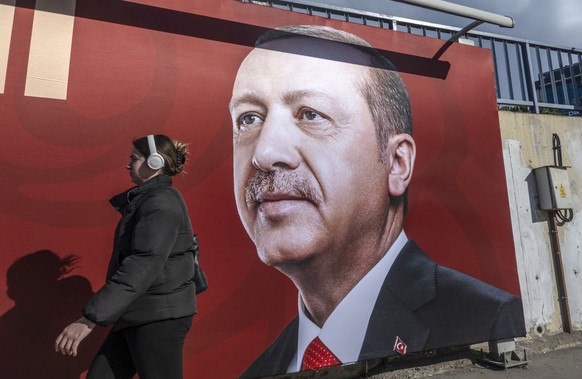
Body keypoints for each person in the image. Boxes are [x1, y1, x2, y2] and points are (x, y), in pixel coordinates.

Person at [229, 25, 526, 378]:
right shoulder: (261, 369)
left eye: (311, 114)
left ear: (397, 164)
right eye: (248, 118)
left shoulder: (487, 315)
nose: (265, 153)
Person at [55, 134, 197, 379]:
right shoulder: (149, 201)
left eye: (134, 158)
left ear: (154, 162)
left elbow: (143, 263)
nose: (128, 164)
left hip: (158, 317)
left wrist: (89, 320)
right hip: (136, 313)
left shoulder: (161, 203)